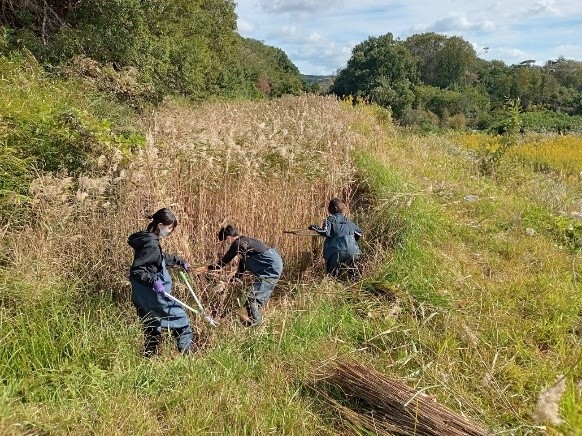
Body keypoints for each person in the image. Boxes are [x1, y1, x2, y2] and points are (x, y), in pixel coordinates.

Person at [128, 208, 194, 357]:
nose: (170, 231)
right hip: (152, 294)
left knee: (152, 325)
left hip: (141, 295)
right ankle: (189, 360)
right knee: (181, 321)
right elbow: (137, 270)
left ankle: (148, 358)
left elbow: (158, 258)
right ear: (160, 225)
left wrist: (179, 261)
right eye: (169, 228)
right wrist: (154, 282)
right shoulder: (151, 243)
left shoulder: (149, 240)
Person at [208, 224, 283, 326]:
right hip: (270, 268)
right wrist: (228, 282)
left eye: (226, 241)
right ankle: (252, 323)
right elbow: (240, 272)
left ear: (229, 238)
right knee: (251, 299)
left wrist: (206, 269)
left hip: (270, 270)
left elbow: (223, 262)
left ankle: (257, 326)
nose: (227, 244)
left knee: (253, 299)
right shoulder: (245, 246)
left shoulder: (238, 243)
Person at [309, 198, 363, 279]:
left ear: (334, 208)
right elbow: (359, 233)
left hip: (336, 252)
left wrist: (315, 227)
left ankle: (334, 285)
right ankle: (357, 284)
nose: (328, 209)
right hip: (353, 252)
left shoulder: (329, 219)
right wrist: (350, 241)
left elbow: (325, 232)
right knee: (354, 275)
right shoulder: (347, 221)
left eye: (329, 207)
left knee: (332, 276)